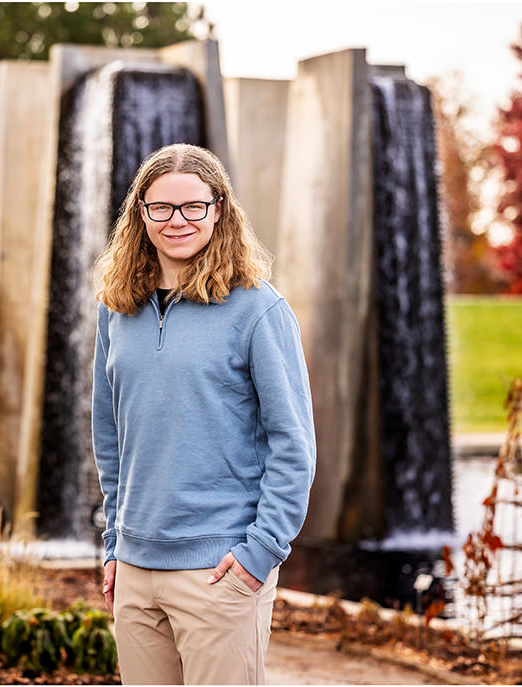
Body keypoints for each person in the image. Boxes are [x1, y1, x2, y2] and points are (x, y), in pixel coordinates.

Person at [91, 143, 316, 685]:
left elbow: (295, 447)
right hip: (136, 574)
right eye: (161, 207)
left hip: (219, 574)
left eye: (193, 206)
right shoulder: (116, 310)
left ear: (219, 210)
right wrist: (115, 545)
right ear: (140, 214)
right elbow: (110, 436)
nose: (177, 221)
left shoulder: (259, 310)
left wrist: (259, 554)